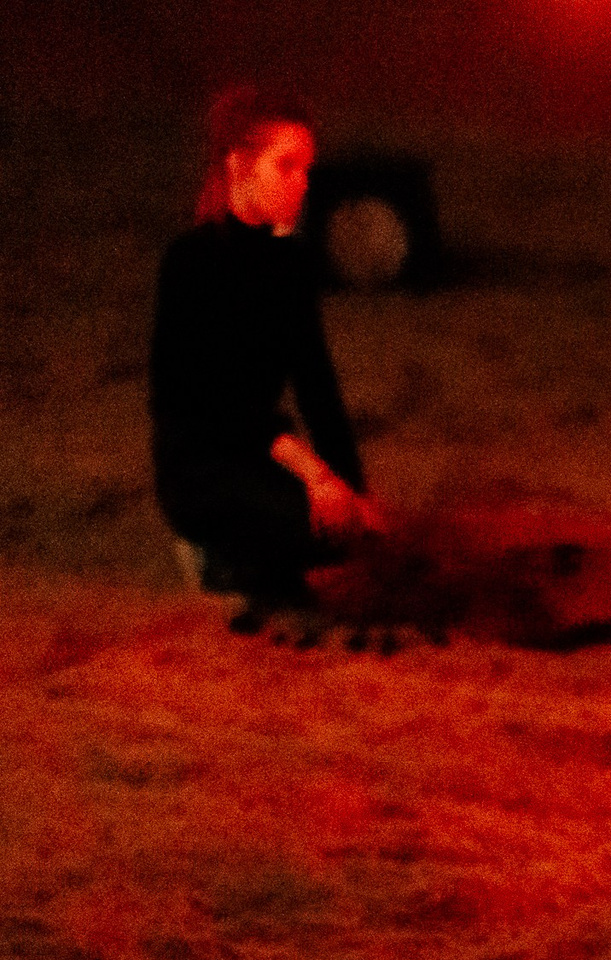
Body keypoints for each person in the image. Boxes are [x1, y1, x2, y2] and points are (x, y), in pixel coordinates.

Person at [151, 85, 382, 632]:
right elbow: (216, 406)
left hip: (257, 459)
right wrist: (314, 473)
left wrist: (353, 487)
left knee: (347, 529)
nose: (302, 183)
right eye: (286, 166)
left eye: (307, 168)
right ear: (240, 167)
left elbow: (315, 382)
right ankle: (216, 554)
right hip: (200, 465)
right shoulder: (192, 264)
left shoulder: (291, 265)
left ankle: (259, 555)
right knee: (304, 522)